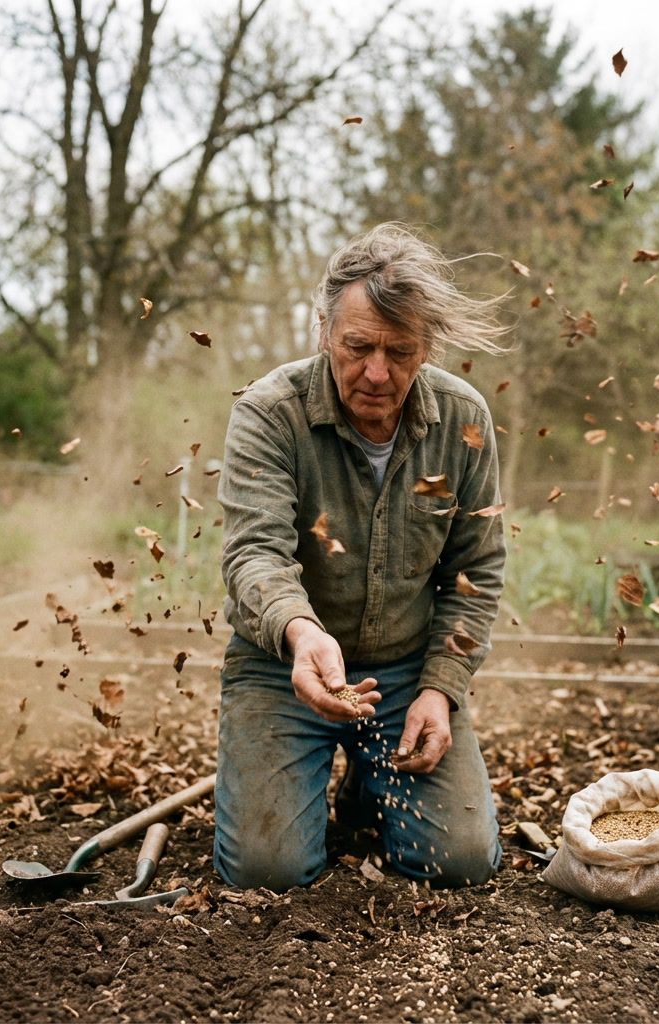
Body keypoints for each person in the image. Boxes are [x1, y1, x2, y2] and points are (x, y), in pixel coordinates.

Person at [214, 223, 510, 892]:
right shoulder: (270, 415)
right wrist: (301, 631)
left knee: (461, 862)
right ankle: (280, 772)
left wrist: (440, 687)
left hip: (405, 672)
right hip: (283, 667)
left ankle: (364, 787)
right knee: (267, 871)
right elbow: (254, 554)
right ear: (324, 332)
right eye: (358, 347)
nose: (378, 372)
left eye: (400, 352)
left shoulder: (464, 421)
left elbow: (476, 571)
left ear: (427, 346)